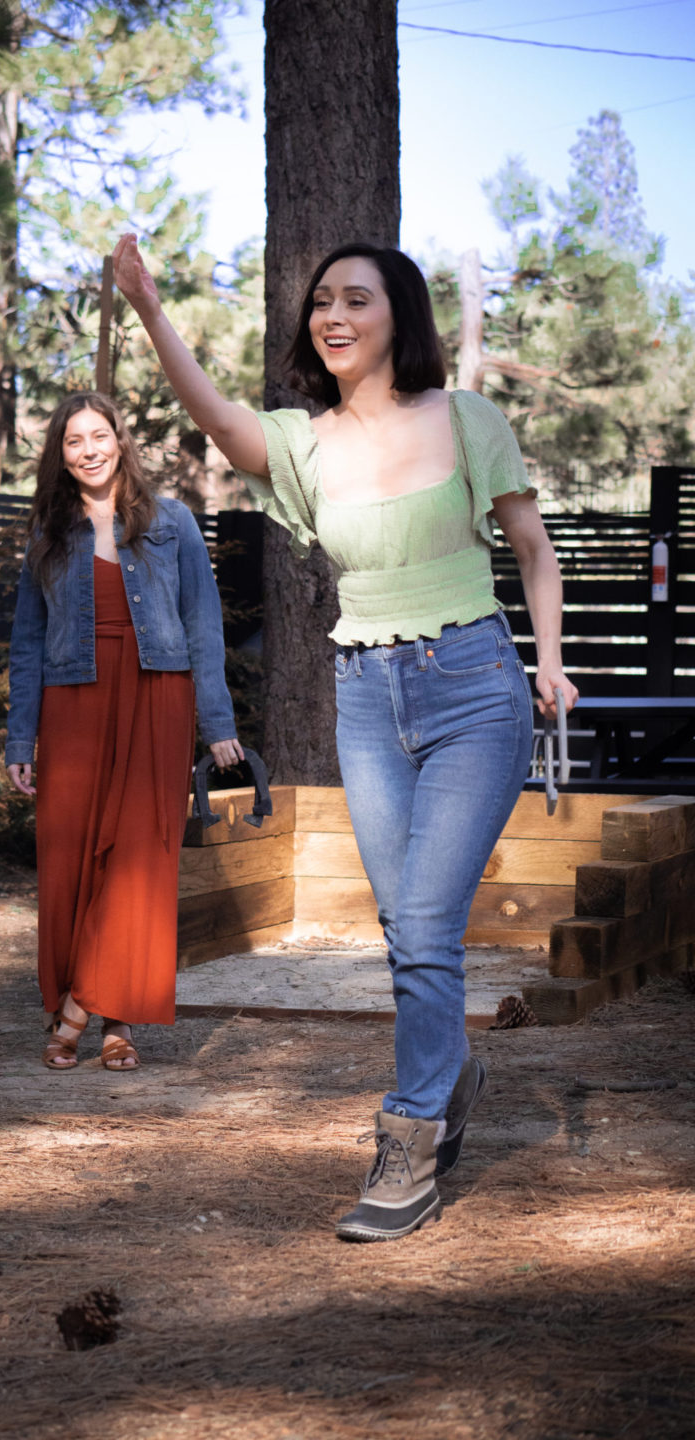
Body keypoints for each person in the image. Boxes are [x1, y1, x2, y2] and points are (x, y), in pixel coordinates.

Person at [112, 233, 578, 1239]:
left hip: (476, 690)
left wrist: (548, 660)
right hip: (366, 695)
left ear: (397, 317)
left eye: (355, 300)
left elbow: (535, 552)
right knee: (402, 926)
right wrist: (151, 309)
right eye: (321, 302)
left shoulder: (467, 418)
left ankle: (408, 1137)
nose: (332, 315)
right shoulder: (303, 440)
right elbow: (216, 414)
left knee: (423, 924)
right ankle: (451, 1069)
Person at [5, 391, 243, 1072]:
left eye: (98, 436)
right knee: (73, 856)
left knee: (140, 858)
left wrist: (217, 722)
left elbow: (203, 624)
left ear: (120, 441)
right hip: (72, 702)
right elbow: (26, 644)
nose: (88, 450)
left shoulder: (172, 523)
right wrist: (21, 739)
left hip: (155, 696)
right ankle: (94, 1011)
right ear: (61, 454)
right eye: (73, 440)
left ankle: (98, 1016)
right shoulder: (48, 536)